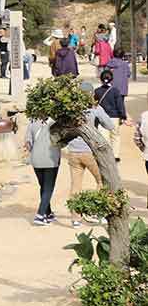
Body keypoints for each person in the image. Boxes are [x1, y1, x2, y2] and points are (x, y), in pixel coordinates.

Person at [66, 82, 115, 227]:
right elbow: (110, 126)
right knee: (102, 181)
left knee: (75, 185)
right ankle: (96, 211)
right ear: (91, 94)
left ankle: (75, 218)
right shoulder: (94, 108)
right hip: (90, 151)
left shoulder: (70, 109)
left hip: (73, 151)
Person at [25, 117, 61, 226]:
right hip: (51, 159)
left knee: (43, 187)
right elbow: (61, 141)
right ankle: (40, 215)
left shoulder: (32, 121)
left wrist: (36, 150)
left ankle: (48, 213)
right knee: (48, 188)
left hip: (36, 159)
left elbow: (27, 143)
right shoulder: (56, 123)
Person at [95, 70, 127, 162]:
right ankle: (115, 155)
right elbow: (120, 105)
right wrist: (123, 116)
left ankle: (106, 155)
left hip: (102, 118)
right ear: (112, 79)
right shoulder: (116, 91)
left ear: (101, 80)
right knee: (115, 136)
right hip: (114, 117)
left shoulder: (97, 91)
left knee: (104, 137)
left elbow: (94, 105)